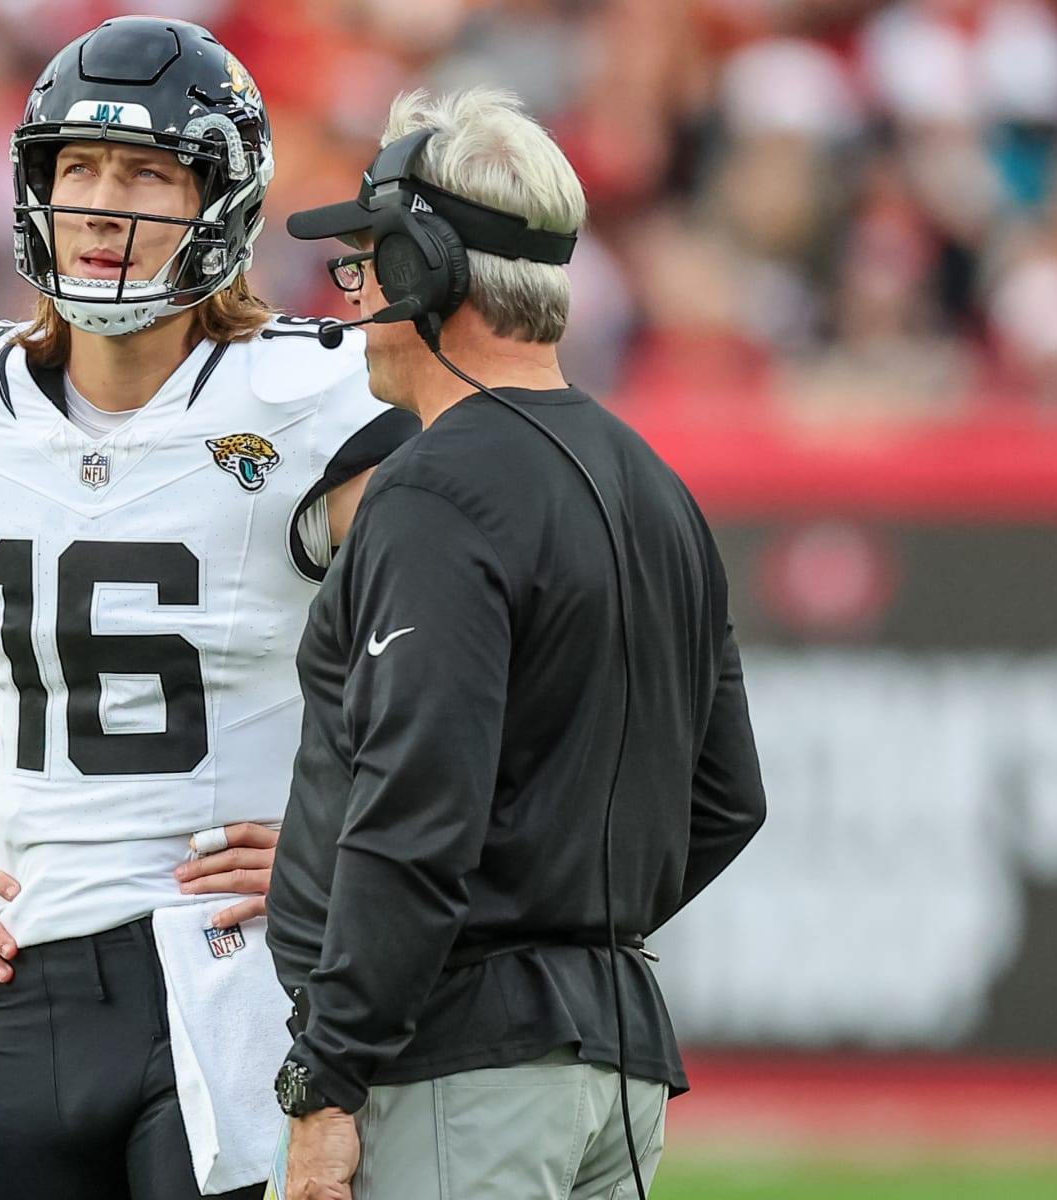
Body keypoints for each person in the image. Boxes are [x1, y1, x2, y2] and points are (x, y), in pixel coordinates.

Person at [0, 16, 416, 1200]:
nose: (100, 202)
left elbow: (454, 667)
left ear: (222, 198)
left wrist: (342, 846)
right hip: (36, 975)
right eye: (75, 169)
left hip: (247, 978)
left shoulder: (310, 399)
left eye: (146, 171)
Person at [265, 88, 767, 1200]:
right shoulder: (658, 487)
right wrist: (567, 919)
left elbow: (417, 813)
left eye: (369, 261)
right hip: (616, 1069)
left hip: (459, 1072)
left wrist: (326, 1077)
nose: (355, 292)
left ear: (429, 270)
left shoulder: (434, 491)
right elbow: (728, 799)